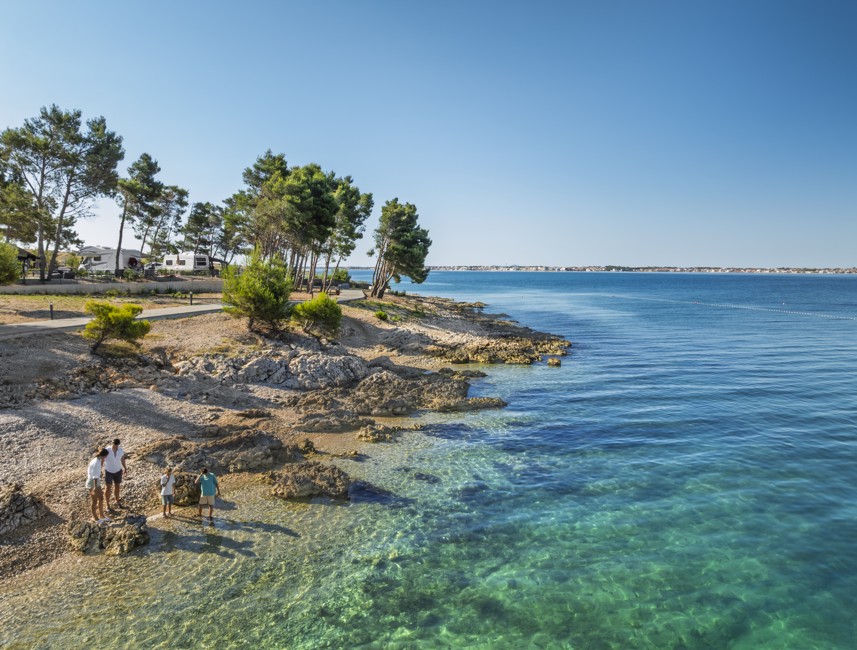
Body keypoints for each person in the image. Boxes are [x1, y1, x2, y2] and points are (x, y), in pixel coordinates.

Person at [104, 438, 128, 510]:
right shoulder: (107, 449)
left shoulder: (120, 450)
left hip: (118, 471)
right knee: (108, 487)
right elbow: (102, 459)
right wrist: (100, 470)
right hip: (109, 471)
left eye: (117, 444)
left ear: (118, 444)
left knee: (117, 486)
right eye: (114, 444)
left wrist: (125, 468)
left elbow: (122, 459)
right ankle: (107, 504)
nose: (115, 445)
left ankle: (117, 501)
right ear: (112, 443)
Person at [87, 448, 110, 523]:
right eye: (106, 456)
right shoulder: (96, 462)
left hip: (96, 482)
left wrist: (100, 473)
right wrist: (95, 487)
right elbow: (94, 476)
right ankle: (95, 518)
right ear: (103, 455)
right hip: (93, 483)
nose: (106, 457)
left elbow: (95, 472)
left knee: (101, 498)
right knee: (94, 501)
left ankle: (102, 515)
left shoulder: (98, 459)